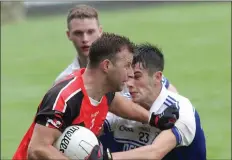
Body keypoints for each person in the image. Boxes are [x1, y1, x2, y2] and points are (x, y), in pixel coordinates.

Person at [12, 34, 179, 160]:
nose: (130, 73)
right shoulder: (65, 98)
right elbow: (37, 149)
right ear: (107, 66)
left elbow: (121, 105)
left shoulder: (104, 92)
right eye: (127, 65)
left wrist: (153, 119)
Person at [100, 43, 206, 160]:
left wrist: (107, 157)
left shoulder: (180, 109)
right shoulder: (124, 105)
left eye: (137, 76)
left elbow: (154, 153)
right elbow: (96, 127)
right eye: (128, 76)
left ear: (158, 77)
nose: (129, 84)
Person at [54, 4, 178, 93]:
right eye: (78, 33)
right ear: (68, 35)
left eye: (90, 31)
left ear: (100, 31)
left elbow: (170, 92)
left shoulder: (128, 66)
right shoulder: (64, 80)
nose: (85, 39)